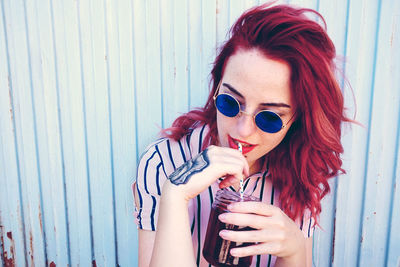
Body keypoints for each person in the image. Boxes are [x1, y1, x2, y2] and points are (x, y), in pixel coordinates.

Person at [133, 3, 350, 267]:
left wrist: (294, 251)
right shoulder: (164, 162)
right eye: (230, 103)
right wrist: (175, 196)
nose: (242, 130)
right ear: (216, 90)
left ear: (297, 120)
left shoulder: (300, 170)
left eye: (269, 118)